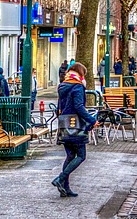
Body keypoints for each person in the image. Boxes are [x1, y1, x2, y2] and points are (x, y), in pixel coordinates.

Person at [52, 62, 98, 198]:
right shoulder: (77, 87)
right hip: (75, 125)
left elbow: (59, 107)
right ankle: (60, 179)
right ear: (80, 74)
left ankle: (65, 188)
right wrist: (92, 120)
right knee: (81, 156)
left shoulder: (62, 86)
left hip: (64, 125)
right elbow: (79, 107)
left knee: (70, 156)